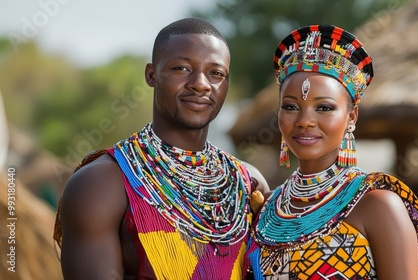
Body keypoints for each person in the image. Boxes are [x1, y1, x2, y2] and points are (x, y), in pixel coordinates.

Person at [52, 17, 269, 280]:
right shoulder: (100, 184)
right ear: (151, 75)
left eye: (216, 73)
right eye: (181, 68)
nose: (200, 83)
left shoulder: (249, 185)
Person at [246, 24, 418, 279]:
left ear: (352, 116)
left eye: (323, 108)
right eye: (290, 107)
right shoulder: (268, 208)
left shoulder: (377, 205)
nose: (304, 120)